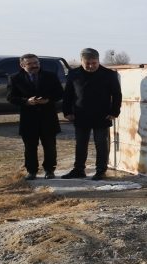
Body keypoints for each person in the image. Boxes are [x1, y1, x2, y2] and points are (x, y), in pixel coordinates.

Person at [62, 48, 122, 181]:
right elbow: (68, 94)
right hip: (80, 114)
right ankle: (79, 169)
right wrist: (67, 111)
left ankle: (101, 170)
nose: (91, 66)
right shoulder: (74, 73)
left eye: (94, 63)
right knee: (81, 143)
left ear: (98, 60)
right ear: (81, 61)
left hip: (102, 114)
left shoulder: (108, 74)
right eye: (87, 63)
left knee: (101, 143)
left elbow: (117, 95)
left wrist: (114, 112)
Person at [7, 54, 64, 180]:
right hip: (29, 118)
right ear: (22, 65)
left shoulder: (50, 76)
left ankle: (49, 170)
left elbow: (60, 93)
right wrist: (27, 101)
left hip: (48, 117)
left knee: (49, 146)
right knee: (30, 147)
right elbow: (11, 97)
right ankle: (31, 171)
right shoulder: (15, 78)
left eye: (36, 63)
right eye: (30, 64)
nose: (35, 66)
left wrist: (48, 99)